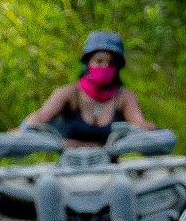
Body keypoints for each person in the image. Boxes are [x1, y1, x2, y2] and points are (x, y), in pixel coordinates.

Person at [20, 30, 154, 145]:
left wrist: (151, 130)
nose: (105, 66)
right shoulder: (70, 94)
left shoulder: (123, 96)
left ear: (117, 67)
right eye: (99, 61)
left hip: (110, 169)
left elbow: (138, 123)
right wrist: (23, 130)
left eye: (111, 63)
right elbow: (41, 115)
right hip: (68, 168)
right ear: (88, 63)